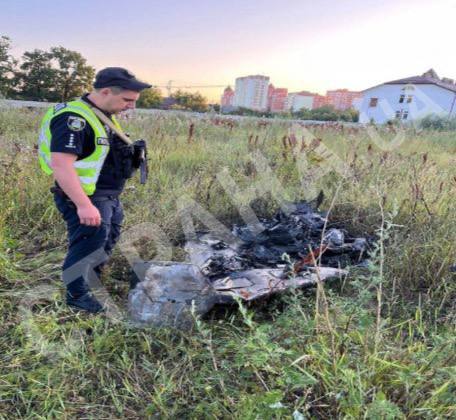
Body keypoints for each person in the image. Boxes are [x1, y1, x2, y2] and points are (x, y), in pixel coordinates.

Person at [38, 67, 151, 313]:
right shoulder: (73, 119)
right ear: (107, 92)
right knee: (88, 245)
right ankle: (77, 297)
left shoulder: (100, 113)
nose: (131, 106)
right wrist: (83, 205)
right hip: (87, 196)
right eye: (127, 100)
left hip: (108, 195)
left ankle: (91, 283)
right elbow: (61, 164)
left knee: (106, 240)